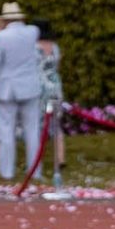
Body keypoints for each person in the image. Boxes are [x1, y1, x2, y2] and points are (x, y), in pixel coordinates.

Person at [0, 1, 43, 184]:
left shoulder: (0, 38)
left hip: (6, 88)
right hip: (30, 86)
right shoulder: (33, 32)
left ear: (4, 20)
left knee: (6, 131)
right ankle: (35, 171)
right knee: (32, 130)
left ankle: (7, 171)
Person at [36, 21, 67, 188]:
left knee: (39, 124)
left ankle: (37, 159)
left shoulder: (33, 48)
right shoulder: (55, 47)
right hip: (55, 85)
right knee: (57, 124)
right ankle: (60, 157)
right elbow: (58, 66)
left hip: (40, 87)